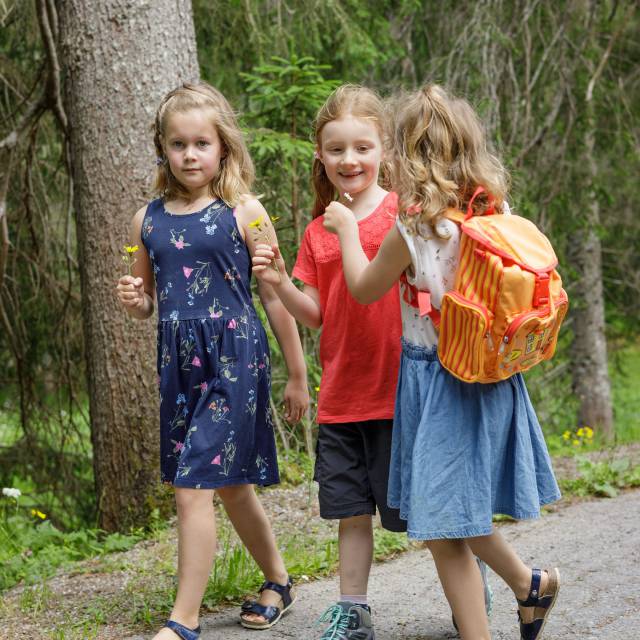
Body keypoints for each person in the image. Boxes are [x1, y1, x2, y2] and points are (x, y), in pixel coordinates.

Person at [322, 84, 561, 640]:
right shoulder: (497, 213)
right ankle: (529, 586)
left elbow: (361, 287)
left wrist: (348, 231)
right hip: (493, 378)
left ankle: (507, 607)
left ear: (403, 155)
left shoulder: (414, 228)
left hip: (437, 382)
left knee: (444, 524)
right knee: (450, 518)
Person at [251, 84, 491, 640]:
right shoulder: (319, 228)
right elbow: (316, 313)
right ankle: (353, 607)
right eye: (336, 150)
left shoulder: (401, 213)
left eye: (362, 147)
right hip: (341, 394)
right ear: (320, 155)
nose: (349, 160)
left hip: (400, 390)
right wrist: (280, 281)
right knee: (350, 512)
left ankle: (469, 594)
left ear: (384, 148)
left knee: (423, 516)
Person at [116, 83, 309, 640]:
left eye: (202, 142)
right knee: (229, 485)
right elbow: (149, 301)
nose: (191, 154)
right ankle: (278, 579)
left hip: (234, 359)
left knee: (193, 485)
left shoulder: (244, 212)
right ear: (163, 149)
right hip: (178, 365)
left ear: (223, 146)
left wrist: (296, 375)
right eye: (179, 144)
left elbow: (273, 293)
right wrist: (136, 303)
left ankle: (184, 620)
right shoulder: (146, 220)